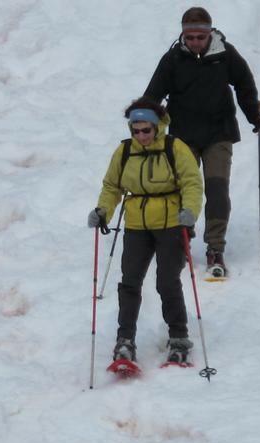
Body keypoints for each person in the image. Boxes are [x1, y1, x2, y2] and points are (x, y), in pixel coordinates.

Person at [144, 6, 260, 276]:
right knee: (183, 189)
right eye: (190, 37)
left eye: (200, 37)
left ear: (210, 33)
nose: (195, 42)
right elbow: (153, 94)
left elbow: (244, 85)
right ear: (183, 35)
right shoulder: (173, 59)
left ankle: (215, 247)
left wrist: (254, 115)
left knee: (217, 189)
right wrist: (143, 119)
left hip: (218, 133)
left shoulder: (225, 55)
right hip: (183, 135)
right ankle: (182, 238)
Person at [88, 97, 203, 365]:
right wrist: (103, 210)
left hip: (171, 224)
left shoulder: (175, 148)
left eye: (146, 130)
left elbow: (192, 183)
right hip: (136, 225)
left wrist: (190, 212)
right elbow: (112, 186)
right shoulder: (125, 151)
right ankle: (124, 341)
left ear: (157, 126)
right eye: (136, 130)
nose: (141, 136)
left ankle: (179, 337)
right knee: (129, 283)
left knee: (167, 282)